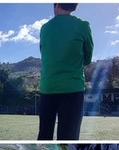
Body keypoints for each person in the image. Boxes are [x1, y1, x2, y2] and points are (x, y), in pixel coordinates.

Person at [37, 4, 93, 140]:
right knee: (68, 138)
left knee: (44, 135)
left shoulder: (45, 28)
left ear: (56, 4)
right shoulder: (83, 26)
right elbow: (88, 58)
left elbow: (44, 53)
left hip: (47, 87)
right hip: (72, 88)